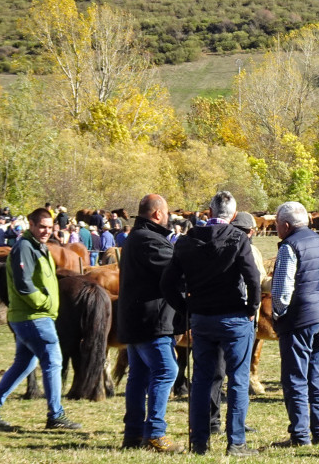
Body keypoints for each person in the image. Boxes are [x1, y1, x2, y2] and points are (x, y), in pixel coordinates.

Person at [162, 191, 261, 457]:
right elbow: (252, 278)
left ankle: (200, 442)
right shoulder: (239, 239)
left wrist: (186, 308)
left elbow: (168, 283)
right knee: (238, 380)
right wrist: (251, 308)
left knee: (203, 379)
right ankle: (236, 443)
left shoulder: (187, 241)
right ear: (234, 213)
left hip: (202, 318)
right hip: (234, 318)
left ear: (209, 211)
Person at [0, 207, 81, 433]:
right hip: (33, 317)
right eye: (41, 227)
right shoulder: (25, 248)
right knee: (54, 361)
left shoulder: (39, 247)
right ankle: (55, 415)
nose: (46, 231)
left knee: (24, 364)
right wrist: (45, 303)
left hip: (31, 316)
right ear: (31, 225)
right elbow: (24, 285)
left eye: (49, 227)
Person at [118, 194, 179, 453]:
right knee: (167, 371)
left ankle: (133, 433)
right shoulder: (149, 240)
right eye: (165, 213)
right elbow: (175, 269)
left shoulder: (137, 237)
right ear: (157, 214)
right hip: (151, 320)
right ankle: (154, 433)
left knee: (139, 376)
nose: (167, 218)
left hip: (135, 320)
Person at [270, 201, 319, 448]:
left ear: (285, 225)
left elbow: (282, 290)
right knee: (316, 376)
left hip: (299, 319)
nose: (276, 229)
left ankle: (300, 435)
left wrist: (279, 314)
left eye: (277, 225)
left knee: (295, 377)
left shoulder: (289, 245)